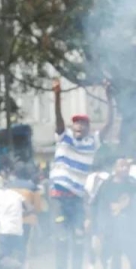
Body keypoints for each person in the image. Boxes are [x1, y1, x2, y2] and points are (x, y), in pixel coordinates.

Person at [49, 78, 114, 269]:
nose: (78, 126)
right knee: (61, 238)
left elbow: (109, 124)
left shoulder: (92, 143)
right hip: (59, 198)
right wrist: (57, 95)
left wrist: (109, 98)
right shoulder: (64, 137)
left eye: (83, 124)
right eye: (76, 123)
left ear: (88, 129)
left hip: (76, 198)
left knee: (78, 238)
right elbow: (59, 120)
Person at [92, 158, 136, 269]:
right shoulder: (106, 186)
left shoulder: (132, 183)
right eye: (121, 166)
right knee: (112, 260)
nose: (125, 168)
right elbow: (99, 207)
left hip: (130, 229)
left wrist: (124, 206)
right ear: (114, 168)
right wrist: (98, 230)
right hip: (110, 229)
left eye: (126, 166)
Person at [8, 162, 42, 262]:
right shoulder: (32, 186)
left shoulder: (8, 186)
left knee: (12, 246)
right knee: (24, 246)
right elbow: (38, 208)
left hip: (11, 220)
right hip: (27, 221)